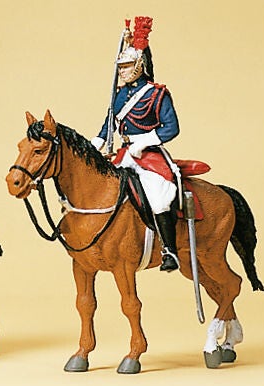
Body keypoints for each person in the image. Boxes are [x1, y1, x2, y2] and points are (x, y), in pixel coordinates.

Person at [90, 16, 181, 272]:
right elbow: (108, 125)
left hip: (149, 154)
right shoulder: (119, 95)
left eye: (127, 66)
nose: (122, 71)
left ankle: (169, 251)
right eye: (120, 67)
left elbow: (171, 127)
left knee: (159, 196)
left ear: (139, 66)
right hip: (124, 154)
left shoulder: (157, 94)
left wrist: (145, 141)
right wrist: (92, 146)